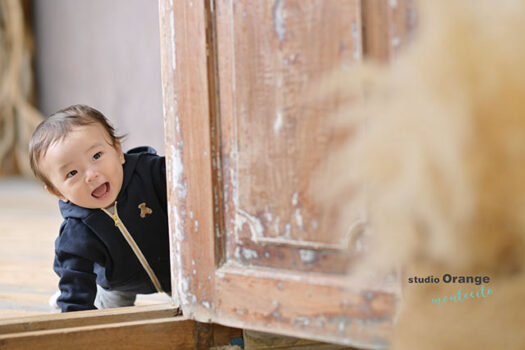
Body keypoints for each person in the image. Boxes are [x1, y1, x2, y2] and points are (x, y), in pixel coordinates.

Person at [29, 104, 171, 312]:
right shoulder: (76, 234)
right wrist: (75, 310)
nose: (91, 175)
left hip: (174, 268)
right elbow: (75, 277)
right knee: (108, 318)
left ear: (118, 152)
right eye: (72, 173)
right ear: (59, 193)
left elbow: (190, 176)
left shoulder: (150, 174)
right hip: (118, 283)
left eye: (96, 156)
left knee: (199, 306)